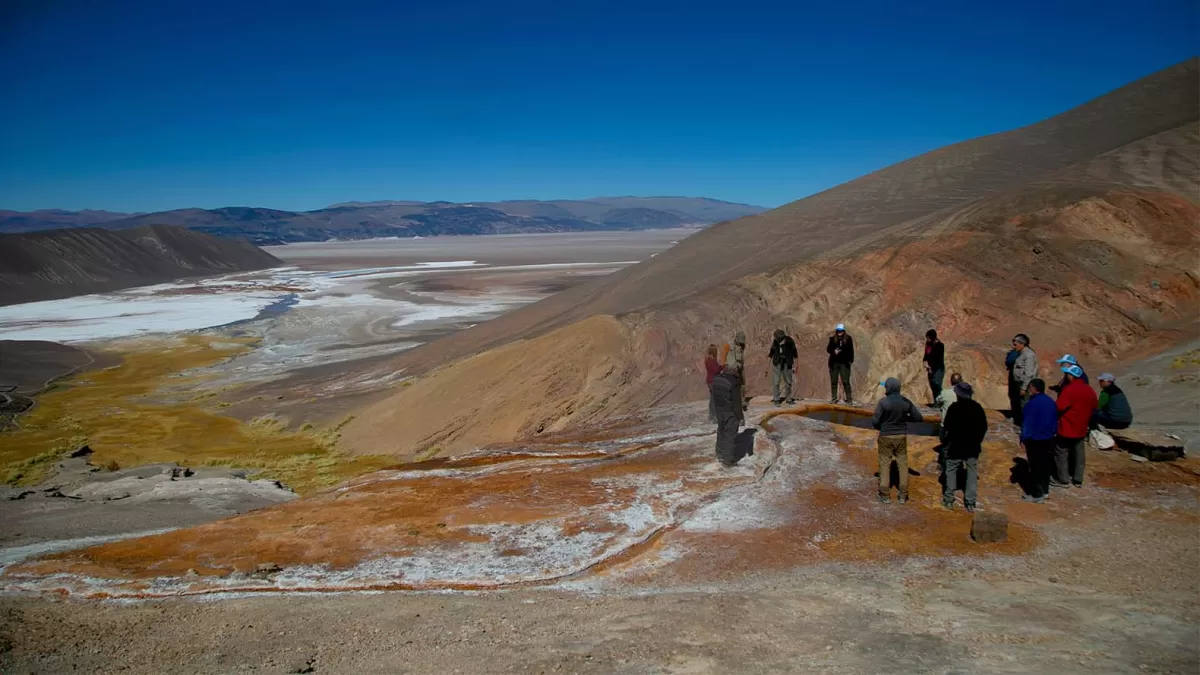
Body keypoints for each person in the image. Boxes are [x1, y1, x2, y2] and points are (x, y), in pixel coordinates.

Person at [872, 377, 923, 504]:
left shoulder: (884, 403)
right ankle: (903, 495)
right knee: (902, 464)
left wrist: (882, 427)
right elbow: (918, 418)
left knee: (884, 464)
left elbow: (875, 422)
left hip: (886, 436)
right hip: (901, 436)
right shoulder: (906, 402)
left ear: (888, 388)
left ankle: (884, 494)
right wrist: (905, 418)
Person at [941, 381, 988, 512]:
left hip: (956, 445)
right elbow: (983, 427)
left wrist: (947, 441)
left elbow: (947, 427)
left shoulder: (954, 408)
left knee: (950, 470)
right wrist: (978, 441)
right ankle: (970, 502)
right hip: (972, 446)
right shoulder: (977, 408)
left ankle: (949, 499)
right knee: (971, 471)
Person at [1053, 364, 1098, 488]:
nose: (1066, 376)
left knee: (1061, 452)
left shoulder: (1070, 389)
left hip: (1067, 426)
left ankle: (1063, 479)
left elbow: (1059, 406)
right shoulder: (1089, 389)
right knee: (1079, 453)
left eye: (1068, 374)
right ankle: (1078, 479)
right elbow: (1095, 405)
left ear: (1071, 376)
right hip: (1082, 427)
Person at [1020, 379, 1058, 503]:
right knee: (1046, 466)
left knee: (1035, 467)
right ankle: (1045, 491)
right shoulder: (1050, 402)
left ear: (1034, 389)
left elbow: (1027, 424)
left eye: (1030, 387)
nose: (1028, 390)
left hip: (1035, 439)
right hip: (1049, 438)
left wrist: (1023, 438)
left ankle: (1037, 495)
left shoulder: (1032, 404)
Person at [710, 363, 746, 466]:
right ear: (734, 370)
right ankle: (727, 460)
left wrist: (713, 412)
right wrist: (740, 417)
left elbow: (713, 397)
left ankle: (720, 453)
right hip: (730, 412)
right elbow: (737, 403)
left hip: (719, 410)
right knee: (730, 435)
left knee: (721, 431)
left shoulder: (717, 379)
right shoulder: (733, 382)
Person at [1009, 334, 1039, 426]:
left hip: (1025, 384)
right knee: (1021, 403)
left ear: (1022, 344)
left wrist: (1024, 387)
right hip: (1020, 383)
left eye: (1015, 344)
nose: (1013, 347)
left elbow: (1029, 373)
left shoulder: (1028, 355)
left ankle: (1027, 425)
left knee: (1025, 405)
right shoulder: (1022, 353)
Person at [768, 329, 798, 406]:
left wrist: (796, 366)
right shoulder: (775, 342)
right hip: (777, 363)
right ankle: (776, 399)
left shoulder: (790, 341)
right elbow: (771, 354)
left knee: (788, 381)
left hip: (787, 363)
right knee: (776, 381)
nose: (775, 339)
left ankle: (788, 399)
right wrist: (766, 367)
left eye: (777, 338)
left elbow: (795, 354)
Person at [827, 324, 855, 404]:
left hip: (844, 363)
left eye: (841, 331)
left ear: (843, 331)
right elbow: (828, 349)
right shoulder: (832, 339)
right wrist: (834, 351)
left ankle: (849, 399)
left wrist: (850, 360)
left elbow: (851, 351)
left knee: (845, 381)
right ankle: (834, 398)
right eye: (838, 331)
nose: (839, 332)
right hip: (834, 363)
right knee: (834, 381)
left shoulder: (848, 339)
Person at [923, 329, 946, 404]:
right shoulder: (928, 345)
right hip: (930, 368)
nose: (927, 339)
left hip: (938, 369)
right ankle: (936, 403)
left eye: (929, 338)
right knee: (932, 386)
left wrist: (931, 368)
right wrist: (925, 362)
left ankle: (940, 403)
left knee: (937, 385)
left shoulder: (939, 345)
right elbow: (926, 356)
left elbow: (938, 358)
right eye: (927, 338)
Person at [704, 344, 722, 423]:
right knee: (715, 399)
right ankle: (714, 416)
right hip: (713, 381)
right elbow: (716, 370)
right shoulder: (712, 360)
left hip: (709, 380)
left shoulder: (707, 359)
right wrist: (723, 367)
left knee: (712, 399)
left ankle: (711, 415)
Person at [731, 331, 748, 410]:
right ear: (736, 338)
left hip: (741, 367)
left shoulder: (742, 345)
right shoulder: (731, 346)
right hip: (734, 368)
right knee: (735, 385)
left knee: (743, 383)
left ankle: (742, 400)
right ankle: (736, 402)